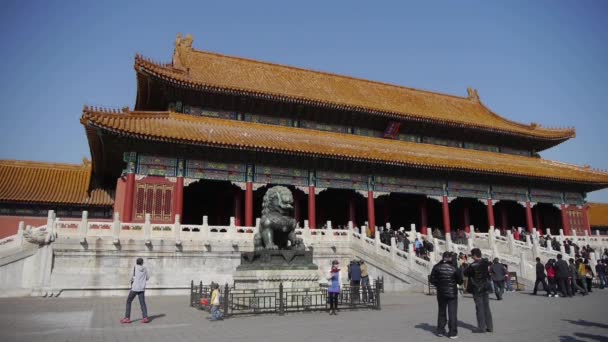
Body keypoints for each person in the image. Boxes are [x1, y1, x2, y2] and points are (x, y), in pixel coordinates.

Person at [430, 252, 463, 339]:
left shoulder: (437, 267)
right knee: (452, 313)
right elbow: (460, 281)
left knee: (441, 312)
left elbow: (432, 279)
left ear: (443, 257)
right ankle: (453, 333)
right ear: (450, 258)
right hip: (452, 293)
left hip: (441, 293)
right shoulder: (454, 268)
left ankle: (440, 331)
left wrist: (439, 284)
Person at [464, 248, 493, 334]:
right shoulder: (486, 262)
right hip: (486, 287)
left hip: (477, 288)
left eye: (472, 255)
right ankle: (490, 326)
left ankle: (481, 327)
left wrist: (466, 264)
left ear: (474, 256)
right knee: (486, 307)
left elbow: (465, 273)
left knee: (479, 307)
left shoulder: (473, 265)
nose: (472, 257)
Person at [121, 257, 150, 324]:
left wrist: (132, 281)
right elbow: (147, 278)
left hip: (135, 288)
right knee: (142, 303)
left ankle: (127, 318)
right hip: (142, 288)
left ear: (136, 262)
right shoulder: (145, 268)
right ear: (142, 262)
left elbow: (132, 277)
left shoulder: (135, 267)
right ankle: (145, 317)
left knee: (128, 301)